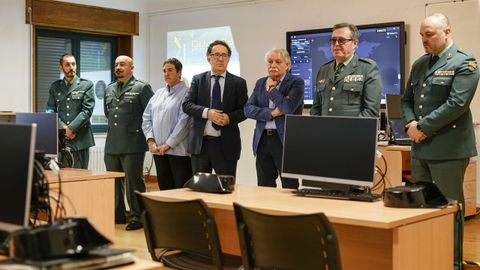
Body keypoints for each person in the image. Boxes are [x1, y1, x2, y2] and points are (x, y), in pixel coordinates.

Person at [401, 13, 478, 269]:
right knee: (423, 208)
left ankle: (451, 261)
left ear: (447, 32)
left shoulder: (464, 62)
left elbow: (456, 104)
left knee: (449, 206)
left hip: (448, 147)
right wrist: (411, 124)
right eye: (422, 35)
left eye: (430, 34)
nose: (424, 39)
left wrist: (422, 126)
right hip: (421, 147)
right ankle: (428, 258)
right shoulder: (421, 64)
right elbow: (407, 100)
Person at [182, 40, 248, 178]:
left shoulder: (238, 83)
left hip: (226, 145)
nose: (220, 58)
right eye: (216, 54)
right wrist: (207, 113)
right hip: (201, 145)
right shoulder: (198, 79)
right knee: (199, 189)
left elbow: (245, 110)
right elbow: (187, 105)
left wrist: (229, 118)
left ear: (229, 59)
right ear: (209, 58)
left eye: (224, 55)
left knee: (225, 190)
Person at [104, 55, 154, 231]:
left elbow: (150, 114)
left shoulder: (142, 87)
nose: (118, 67)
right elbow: (108, 114)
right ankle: (117, 215)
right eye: (116, 64)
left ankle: (137, 217)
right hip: (112, 143)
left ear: (132, 68)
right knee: (113, 182)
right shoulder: (109, 89)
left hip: (133, 143)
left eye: (122, 64)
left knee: (134, 182)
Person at [244, 48, 304, 189]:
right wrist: (271, 114)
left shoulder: (296, 82)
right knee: (264, 185)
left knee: (289, 186)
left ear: (287, 65)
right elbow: (248, 109)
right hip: (262, 140)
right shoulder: (260, 83)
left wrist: (272, 90)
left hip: (284, 140)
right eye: (270, 62)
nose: (273, 65)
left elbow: (288, 108)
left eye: (278, 61)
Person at [310, 22, 382, 117]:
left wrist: (349, 130)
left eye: (341, 40)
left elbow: (371, 111)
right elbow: (316, 109)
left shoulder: (367, 68)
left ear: (355, 43)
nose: (336, 44)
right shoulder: (324, 70)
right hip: (325, 130)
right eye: (333, 40)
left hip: (353, 131)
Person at [142, 58, 192, 190]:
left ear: (179, 72)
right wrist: (151, 141)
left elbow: (184, 122)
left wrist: (168, 144)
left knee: (181, 191)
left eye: (170, 70)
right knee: (164, 189)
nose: (166, 74)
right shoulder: (158, 94)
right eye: (164, 71)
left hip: (179, 153)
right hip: (159, 152)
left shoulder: (188, 93)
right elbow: (146, 118)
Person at [46, 53, 95, 169]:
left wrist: (71, 128)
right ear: (61, 68)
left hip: (81, 139)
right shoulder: (55, 87)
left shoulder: (86, 85)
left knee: (80, 177)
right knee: (64, 177)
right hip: (62, 139)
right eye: (67, 64)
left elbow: (87, 110)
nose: (71, 67)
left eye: (73, 64)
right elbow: (50, 110)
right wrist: (63, 128)